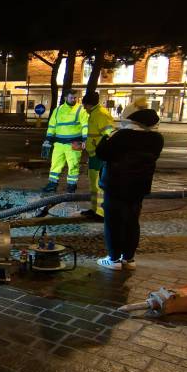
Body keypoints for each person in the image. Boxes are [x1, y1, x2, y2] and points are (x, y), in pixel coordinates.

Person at [95, 109, 164, 270]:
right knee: (132, 221)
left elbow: (102, 153)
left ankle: (113, 259)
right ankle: (129, 258)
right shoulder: (157, 139)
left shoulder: (122, 136)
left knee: (113, 221)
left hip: (115, 185)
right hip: (139, 187)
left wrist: (108, 135)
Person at [42, 89, 89, 193]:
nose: (73, 99)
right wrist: (48, 139)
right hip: (59, 144)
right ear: (65, 98)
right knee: (55, 165)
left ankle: (71, 187)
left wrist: (85, 139)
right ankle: (52, 185)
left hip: (74, 143)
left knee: (73, 165)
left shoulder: (80, 110)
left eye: (75, 97)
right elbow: (52, 126)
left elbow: (85, 125)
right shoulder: (58, 110)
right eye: (71, 97)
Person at [80, 91, 113, 220]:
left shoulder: (101, 114)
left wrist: (100, 149)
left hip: (100, 156)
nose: (83, 107)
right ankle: (95, 210)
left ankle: (101, 213)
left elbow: (109, 135)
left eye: (84, 105)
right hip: (94, 155)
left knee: (99, 185)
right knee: (94, 185)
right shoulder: (94, 114)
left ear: (89, 104)